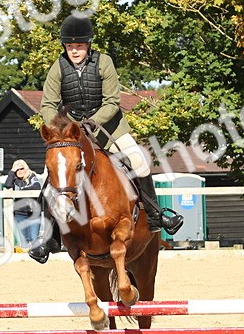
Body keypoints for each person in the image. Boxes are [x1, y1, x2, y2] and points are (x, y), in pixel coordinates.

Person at [31, 13, 182, 264]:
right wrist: (61, 127)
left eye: (79, 46)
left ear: (88, 45)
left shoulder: (104, 63)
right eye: (70, 46)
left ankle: (157, 215)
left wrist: (93, 122)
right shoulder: (58, 67)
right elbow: (47, 104)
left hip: (110, 130)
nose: (75, 51)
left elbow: (113, 102)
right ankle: (47, 237)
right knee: (52, 178)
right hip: (72, 135)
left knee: (139, 162)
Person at [3, 159, 43, 250]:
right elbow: (7, 185)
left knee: (33, 238)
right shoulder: (14, 180)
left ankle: (35, 257)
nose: (20, 171)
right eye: (17, 169)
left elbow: (36, 186)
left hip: (33, 213)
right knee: (24, 240)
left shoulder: (32, 176)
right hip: (19, 213)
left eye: (21, 168)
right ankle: (25, 260)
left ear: (26, 168)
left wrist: (21, 191)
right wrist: (11, 172)